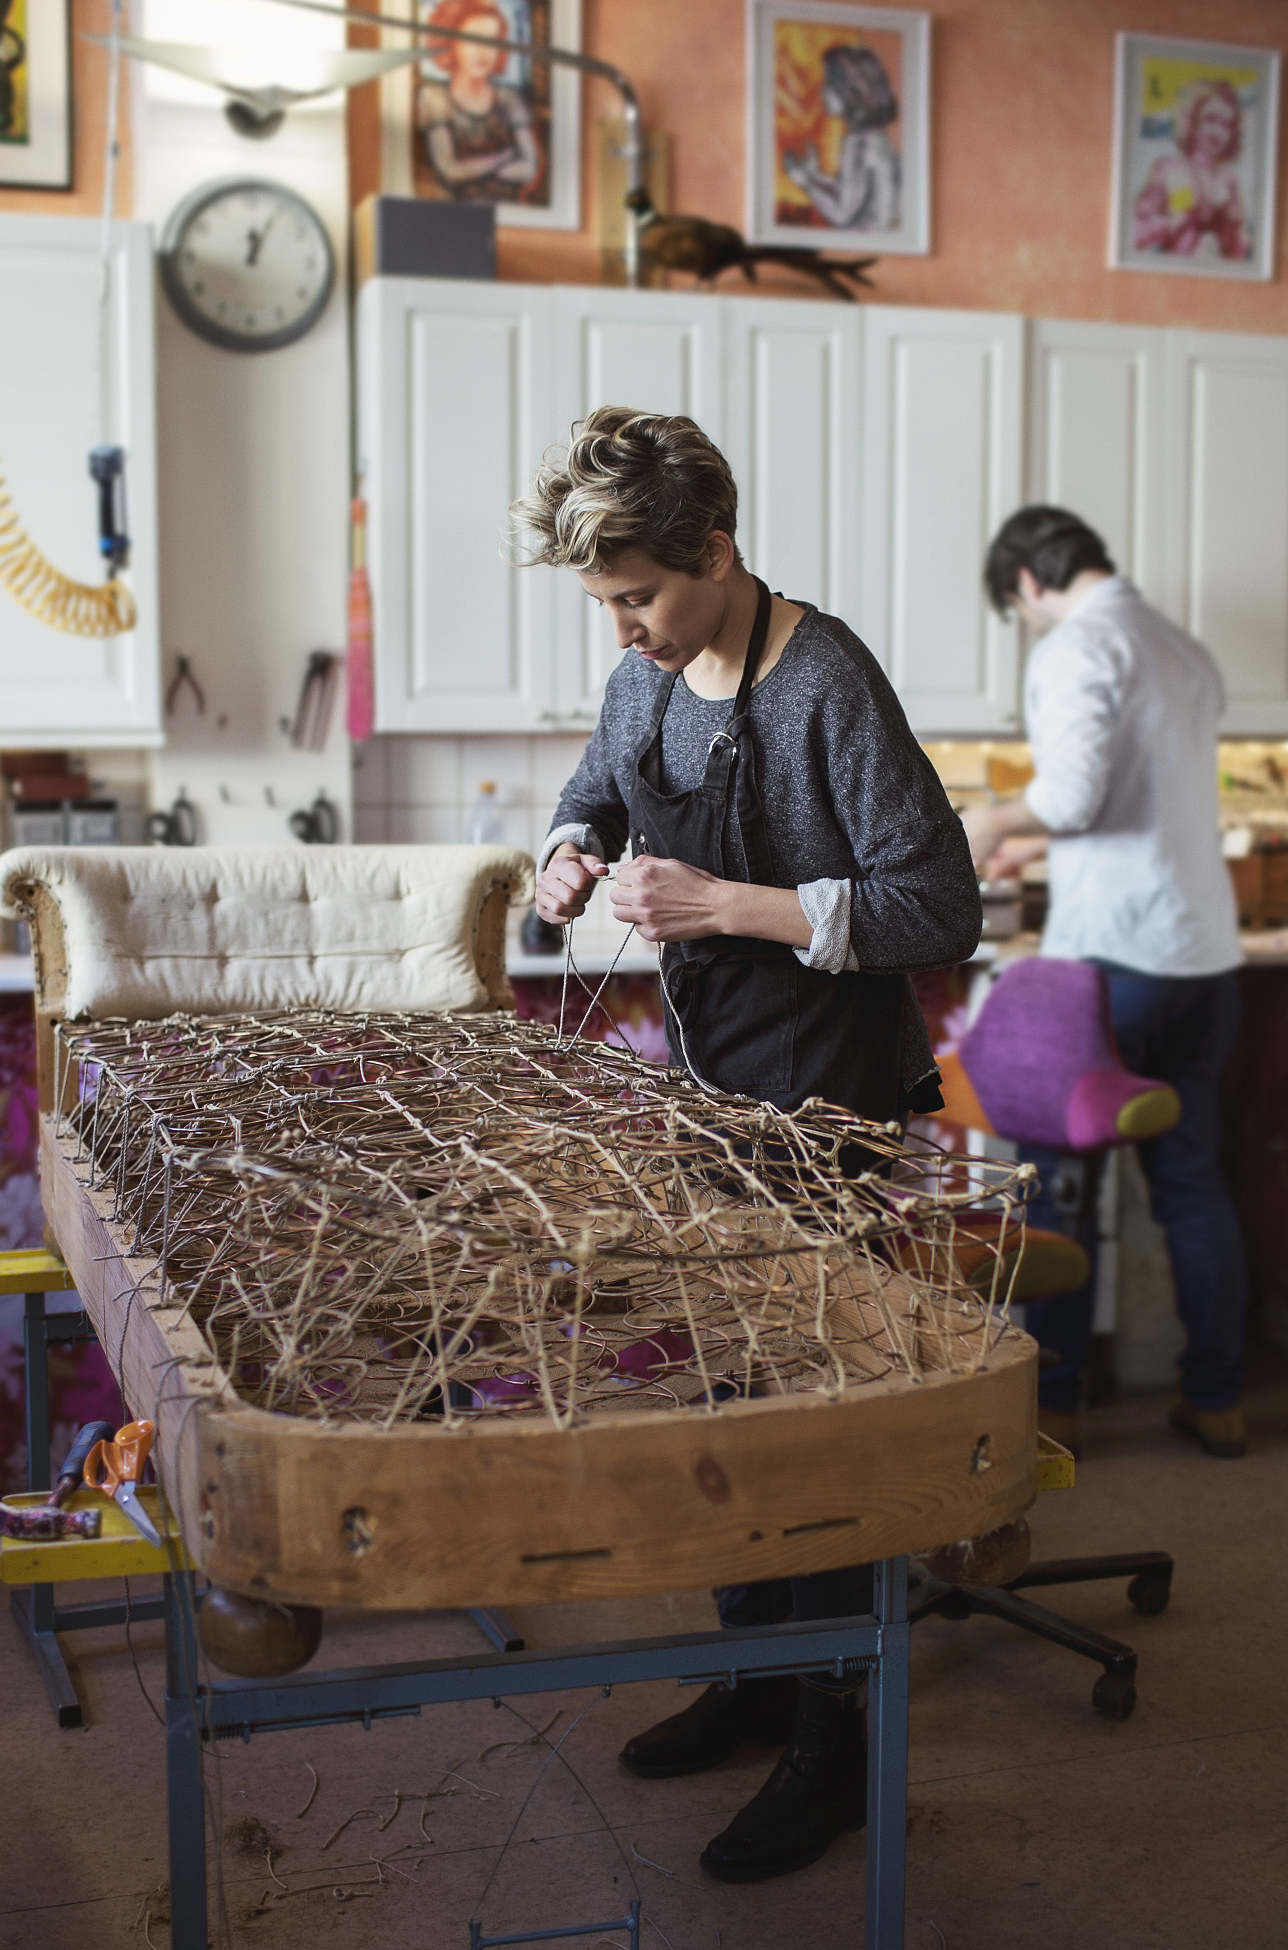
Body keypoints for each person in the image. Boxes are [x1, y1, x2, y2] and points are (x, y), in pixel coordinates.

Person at [512, 407, 982, 1884]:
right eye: (605, 601)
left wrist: (722, 905)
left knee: (813, 1419)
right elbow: (594, 789)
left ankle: (835, 1743)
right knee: (725, 1393)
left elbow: (937, 906)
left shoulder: (825, 681)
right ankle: (759, 1677)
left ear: (715, 551)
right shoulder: (643, 677)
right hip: (708, 1094)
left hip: (827, 1101)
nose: (623, 628)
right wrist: (565, 854)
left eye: (639, 595)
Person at [961, 505, 1248, 1460]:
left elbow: (1073, 794)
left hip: (1113, 967)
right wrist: (1041, 848)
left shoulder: (1075, 646)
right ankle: (1216, 1400)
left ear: (1026, 584)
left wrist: (992, 824)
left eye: (1018, 613)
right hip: (1201, 960)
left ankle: (1057, 1405)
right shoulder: (1181, 649)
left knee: (1058, 1188)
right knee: (1193, 1188)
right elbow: (1143, 807)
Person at [414, 0, 540, 204]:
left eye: (491, 41)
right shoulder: (434, 97)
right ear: (450, 43)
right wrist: (503, 159)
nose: (483, 51)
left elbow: (529, 168)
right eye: (472, 40)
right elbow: (450, 171)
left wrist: (477, 170)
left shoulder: (508, 97)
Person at [782, 43, 901, 234]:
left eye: (829, 83)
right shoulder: (876, 137)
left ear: (849, 90)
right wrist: (815, 176)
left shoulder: (858, 145)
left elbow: (841, 214)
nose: (822, 90)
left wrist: (805, 182)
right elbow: (852, 193)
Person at [1132, 78, 1250, 262]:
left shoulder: (1229, 180)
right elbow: (1135, 233)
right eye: (1210, 119)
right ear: (1192, 120)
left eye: (1226, 124)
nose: (1218, 131)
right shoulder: (1168, 169)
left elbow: (1240, 251)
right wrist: (1171, 223)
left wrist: (1234, 227)